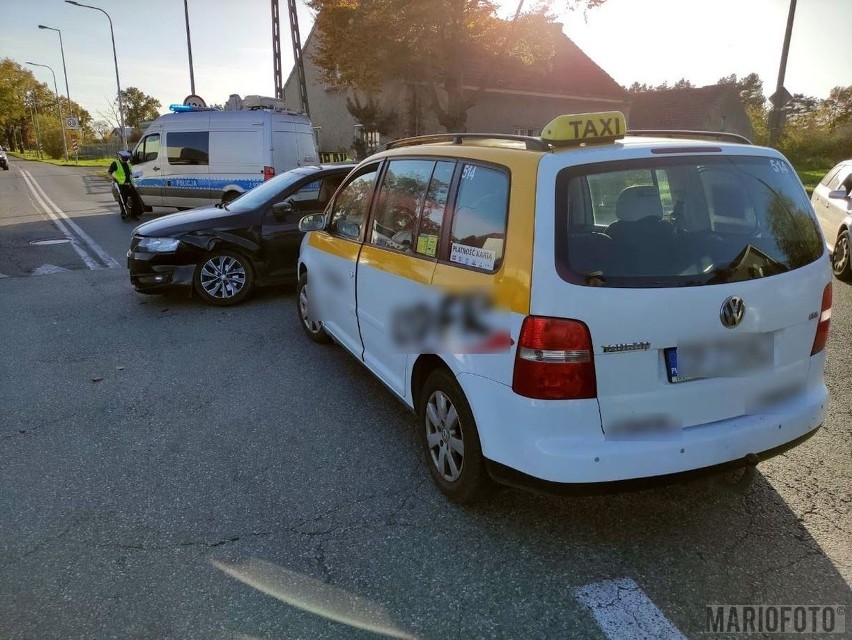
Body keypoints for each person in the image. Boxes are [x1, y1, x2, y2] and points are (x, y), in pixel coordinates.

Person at [108, 150, 142, 220]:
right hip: (121, 185)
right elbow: (109, 172)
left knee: (136, 198)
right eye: (125, 158)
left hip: (130, 184)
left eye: (127, 159)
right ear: (120, 157)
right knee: (123, 200)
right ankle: (123, 213)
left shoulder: (128, 164)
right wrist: (113, 179)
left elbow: (129, 174)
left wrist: (135, 175)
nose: (126, 160)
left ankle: (134, 214)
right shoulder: (115, 163)